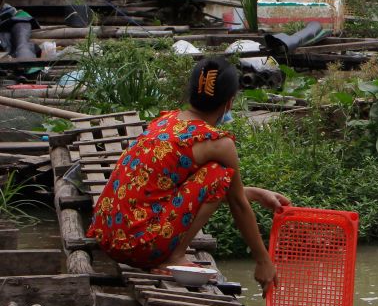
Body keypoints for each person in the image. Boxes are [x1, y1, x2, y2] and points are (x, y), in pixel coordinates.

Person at [86, 57, 286, 291]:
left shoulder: (165, 120)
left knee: (217, 176)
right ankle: (174, 257)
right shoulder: (218, 143)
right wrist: (263, 261)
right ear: (229, 103)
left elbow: (194, 190)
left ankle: (168, 251)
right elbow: (237, 203)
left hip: (109, 237)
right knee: (220, 174)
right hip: (140, 246)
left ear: (191, 94)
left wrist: (256, 194)